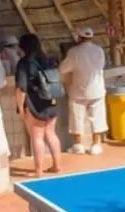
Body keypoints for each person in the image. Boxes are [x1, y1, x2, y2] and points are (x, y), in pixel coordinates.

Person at [14, 33, 63, 176]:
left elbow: (21, 89)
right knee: (51, 134)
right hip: (51, 101)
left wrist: (21, 108)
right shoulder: (48, 60)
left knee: (37, 137)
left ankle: (38, 170)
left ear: (23, 47)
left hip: (35, 104)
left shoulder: (24, 63)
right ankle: (57, 166)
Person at [58, 27, 108, 155]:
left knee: (76, 118)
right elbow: (101, 66)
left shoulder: (74, 52)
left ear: (79, 37)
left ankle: (78, 145)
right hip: (97, 90)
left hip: (78, 91)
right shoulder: (99, 50)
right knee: (97, 117)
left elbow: (63, 69)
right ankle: (96, 145)